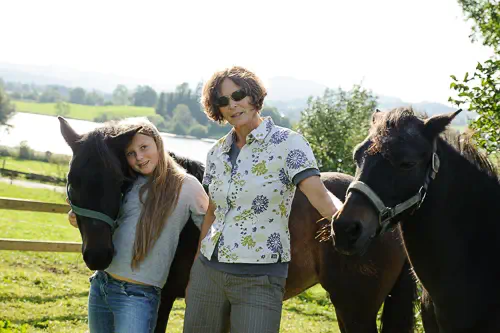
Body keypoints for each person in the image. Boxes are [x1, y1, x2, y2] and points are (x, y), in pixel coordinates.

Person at [183, 66, 343, 333]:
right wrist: (194, 272)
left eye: (238, 95)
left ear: (254, 95)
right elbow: (213, 212)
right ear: (217, 109)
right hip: (207, 274)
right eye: (223, 101)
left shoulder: (288, 143)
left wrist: (347, 219)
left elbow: (319, 194)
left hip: (259, 277)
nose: (232, 105)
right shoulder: (217, 153)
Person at [68, 120, 208, 333]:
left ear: (158, 143)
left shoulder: (186, 185)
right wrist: (78, 214)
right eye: (131, 153)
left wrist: (196, 281)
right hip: (103, 284)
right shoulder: (130, 182)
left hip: (139, 294)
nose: (139, 158)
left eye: (144, 148)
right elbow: (98, 195)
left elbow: (209, 232)